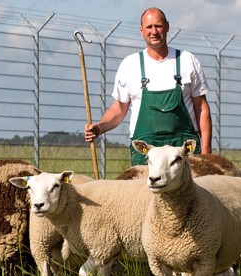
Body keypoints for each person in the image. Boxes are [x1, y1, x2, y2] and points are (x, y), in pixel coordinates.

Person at [84, 7, 212, 165]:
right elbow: (119, 109)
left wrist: (206, 154)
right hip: (146, 151)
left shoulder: (187, 60)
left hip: (183, 150)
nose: (154, 31)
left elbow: (202, 108)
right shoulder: (130, 65)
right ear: (141, 30)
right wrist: (99, 128)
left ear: (167, 26)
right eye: (149, 27)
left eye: (158, 26)